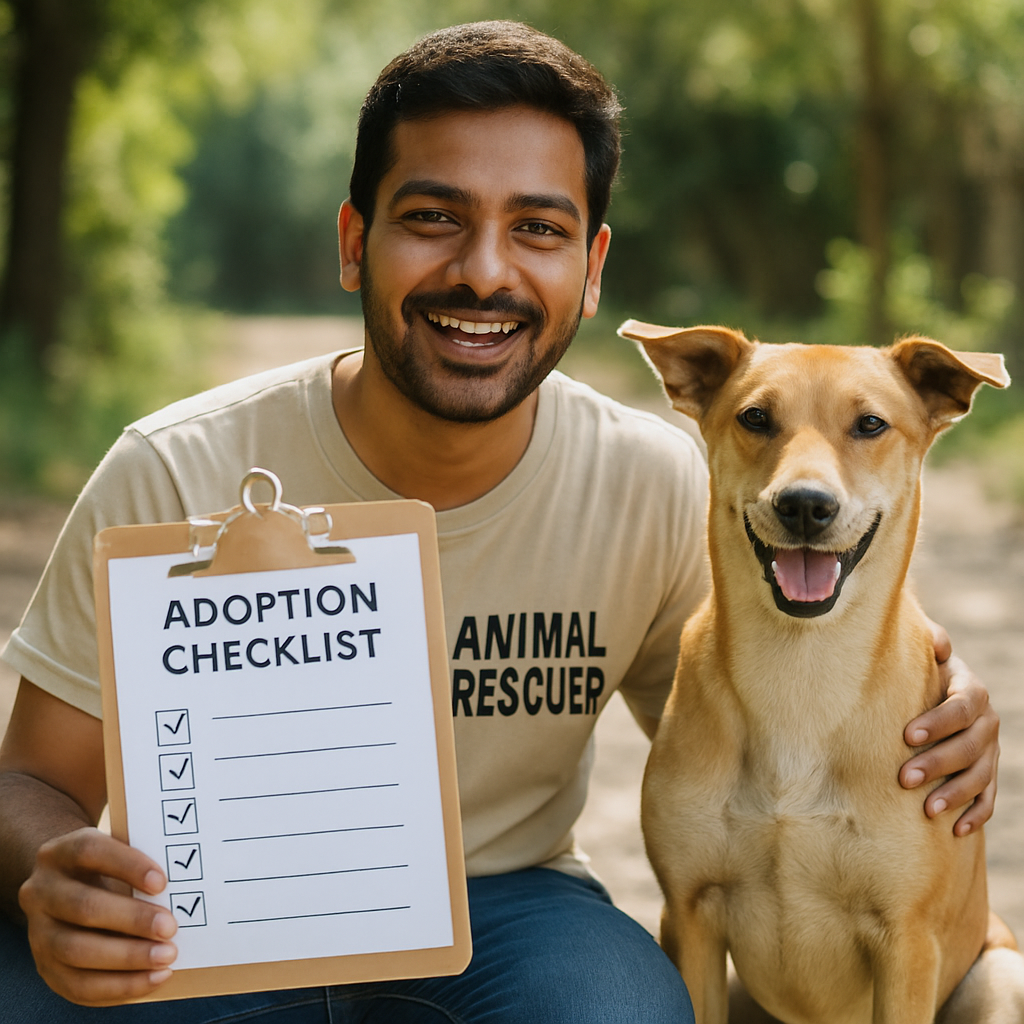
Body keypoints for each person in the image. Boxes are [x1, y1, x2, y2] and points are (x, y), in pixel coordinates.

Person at [0, 20, 1000, 1024]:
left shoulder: (655, 482)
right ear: (354, 242)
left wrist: (941, 709)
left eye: (538, 229)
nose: (484, 271)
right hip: (210, 921)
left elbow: (774, 697)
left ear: (592, 267)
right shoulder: (175, 468)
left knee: (620, 1011)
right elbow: (31, 779)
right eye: (433, 217)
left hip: (509, 914)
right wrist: (61, 875)